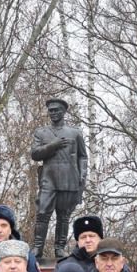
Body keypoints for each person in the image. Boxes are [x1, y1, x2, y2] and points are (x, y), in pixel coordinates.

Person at [30, 98, 88, 259]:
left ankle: (59, 248)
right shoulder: (41, 132)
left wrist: (82, 174)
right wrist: (52, 145)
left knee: (64, 215)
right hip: (49, 178)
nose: (53, 113)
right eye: (51, 110)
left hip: (69, 178)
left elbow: (83, 157)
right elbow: (35, 154)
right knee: (42, 213)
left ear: (64, 112)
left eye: (57, 110)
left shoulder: (75, 132)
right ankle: (37, 247)